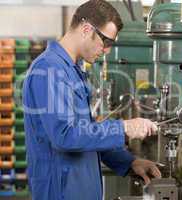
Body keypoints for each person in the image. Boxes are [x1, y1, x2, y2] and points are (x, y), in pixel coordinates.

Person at [22, 0, 161, 199]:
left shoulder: (72, 71)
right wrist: (122, 128)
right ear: (87, 29)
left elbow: (86, 136)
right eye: (106, 42)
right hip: (61, 192)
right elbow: (66, 136)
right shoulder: (49, 70)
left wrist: (129, 162)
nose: (107, 50)